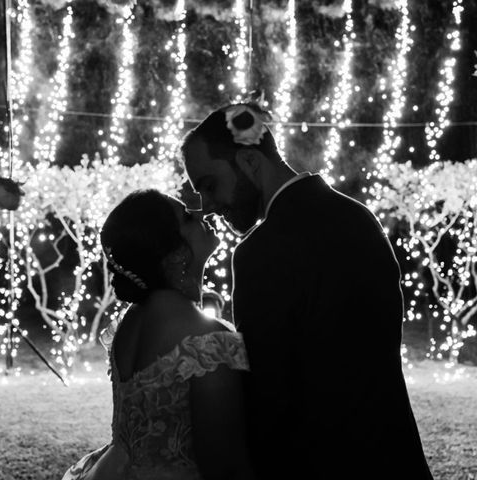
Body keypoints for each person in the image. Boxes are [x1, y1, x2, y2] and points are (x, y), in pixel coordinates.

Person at [181, 102, 433, 479]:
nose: (208, 206)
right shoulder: (359, 217)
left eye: (209, 185)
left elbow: (269, 395)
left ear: (249, 163)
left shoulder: (260, 252)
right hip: (395, 454)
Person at [62, 189, 254, 480]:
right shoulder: (207, 340)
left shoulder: (129, 322)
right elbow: (223, 463)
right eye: (188, 218)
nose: (201, 214)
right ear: (176, 255)